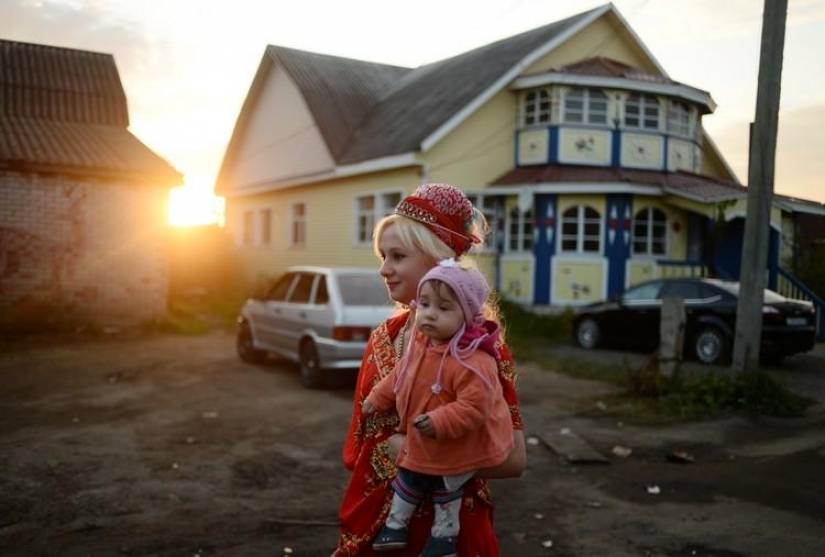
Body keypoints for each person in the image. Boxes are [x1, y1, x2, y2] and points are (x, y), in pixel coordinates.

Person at [333, 183, 526, 557]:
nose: (384, 270)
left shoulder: (480, 347)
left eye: (398, 256)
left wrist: (416, 453)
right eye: (382, 256)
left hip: (444, 536)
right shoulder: (383, 337)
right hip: (371, 526)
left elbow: (513, 459)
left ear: (439, 263)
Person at [363, 259, 514, 556]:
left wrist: (439, 421)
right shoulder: (422, 344)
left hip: (457, 442)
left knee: (446, 486)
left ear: (468, 315)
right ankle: (395, 527)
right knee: (409, 480)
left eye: (444, 308)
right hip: (424, 440)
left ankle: (444, 538)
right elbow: (400, 375)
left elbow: (474, 406)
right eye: (426, 305)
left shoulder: (473, 359)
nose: (430, 315)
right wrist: (378, 398)